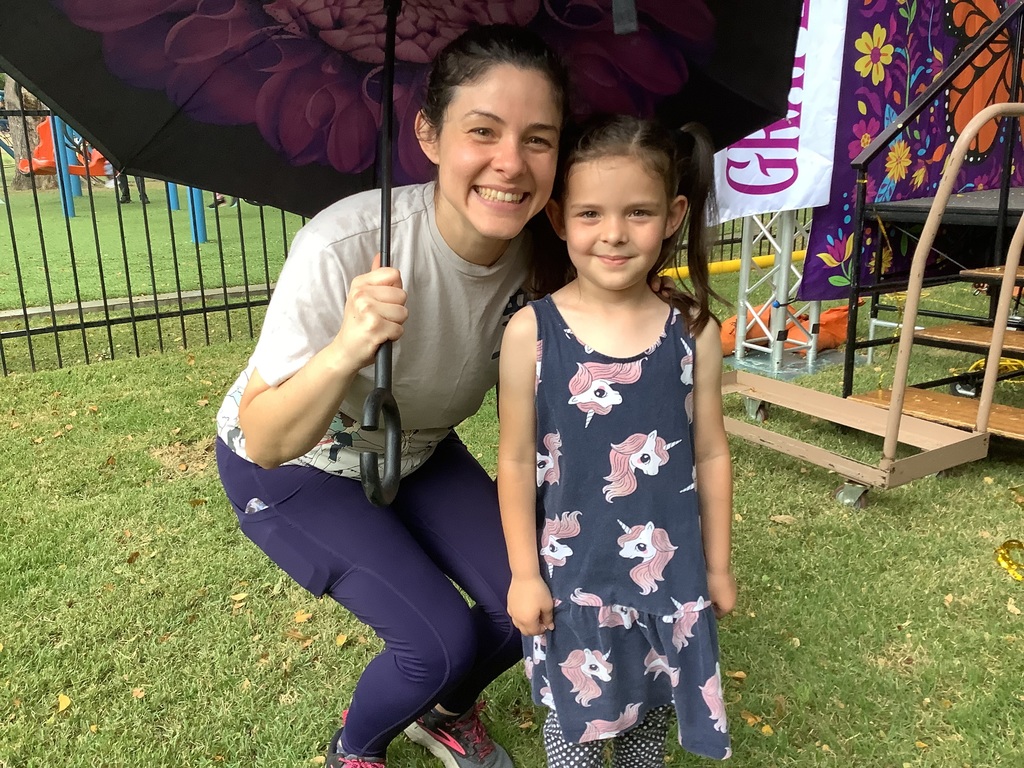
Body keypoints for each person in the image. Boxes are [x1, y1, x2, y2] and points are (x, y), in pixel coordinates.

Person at [215, 24, 571, 768]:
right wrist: (348, 346)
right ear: (430, 134)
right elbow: (267, 436)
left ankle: (441, 715)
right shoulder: (343, 245)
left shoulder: (546, 255)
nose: (512, 163)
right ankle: (359, 746)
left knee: (532, 598)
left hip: (416, 446)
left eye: (539, 139)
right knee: (437, 640)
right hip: (295, 464)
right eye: (483, 131)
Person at [496, 114, 736, 766]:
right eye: (591, 213)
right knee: (576, 727)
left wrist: (715, 566)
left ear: (674, 214)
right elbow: (517, 462)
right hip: (575, 580)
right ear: (557, 217)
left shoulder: (693, 332)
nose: (614, 233)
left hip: (668, 583)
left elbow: (711, 453)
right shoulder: (532, 333)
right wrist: (523, 574)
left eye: (637, 212)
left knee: (647, 730)